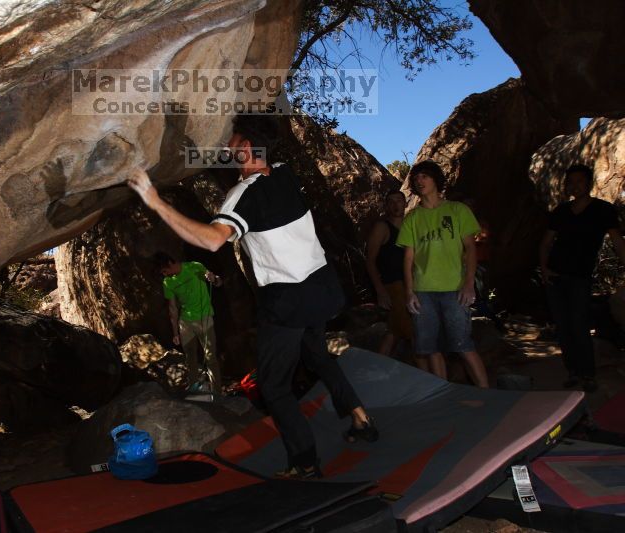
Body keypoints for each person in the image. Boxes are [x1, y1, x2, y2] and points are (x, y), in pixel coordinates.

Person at [128, 113, 377, 480]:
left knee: (274, 386)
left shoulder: (242, 195)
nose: (227, 146)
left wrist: (155, 201)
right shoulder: (285, 172)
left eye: (232, 140)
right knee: (318, 355)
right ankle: (361, 418)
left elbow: (213, 239)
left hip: (288, 299)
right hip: (323, 289)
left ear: (246, 148)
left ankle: (305, 463)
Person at [396, 160, 489, 388]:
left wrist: (469, 284)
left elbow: (470, 249)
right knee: (430, 348)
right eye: (416, 179)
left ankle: (488, 394)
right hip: (423, 292)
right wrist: (409, 293)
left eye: (424, 176)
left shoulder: (457, 210)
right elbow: (408, 259)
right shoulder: (413, 218)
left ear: (436, 180)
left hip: (454, 289)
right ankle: (443, 395)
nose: (419, 181)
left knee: (463, 345)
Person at [539, 164, 625, 393]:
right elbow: (547, 243)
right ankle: (573, 372)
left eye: (579, 181)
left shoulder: (603, 210)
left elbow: (617, 241)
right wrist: (544, 269)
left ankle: (588, 374)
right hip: (555, 277)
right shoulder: (561, 211)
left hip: (580, 277)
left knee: (579, 326)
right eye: (571, 182)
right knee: (563, 327)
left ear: (589, 183)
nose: (575, 185)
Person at [365, 191, 425, 369]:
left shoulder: (410, 226)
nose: (395, 205)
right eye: (390, 201)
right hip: (394, 285)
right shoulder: (382, 228)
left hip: (412, 284)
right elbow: (370, 261)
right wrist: (380, 290)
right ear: (386, 206)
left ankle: (377, 369)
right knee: (413, 331)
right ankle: (425, 375)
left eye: (399, 201)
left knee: (394, 331)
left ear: (406, 203)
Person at [154, 252, 223, 394]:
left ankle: (217, 392)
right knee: (190, 358)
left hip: (204, 319)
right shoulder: (168, 282)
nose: (164, 274)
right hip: (185, 323)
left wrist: (214, 279)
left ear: (170, 263)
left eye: (164, 270)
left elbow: (218, 282)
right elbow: (173, 308)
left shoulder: (194, 267)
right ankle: (194, 391)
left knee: (210, 357)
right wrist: (175, 333)